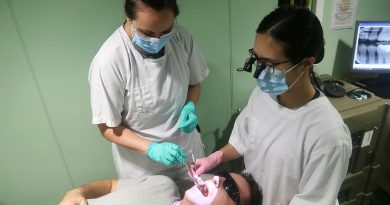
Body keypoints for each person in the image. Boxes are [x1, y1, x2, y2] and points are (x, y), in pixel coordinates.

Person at [194, 6, 352, 205]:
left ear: (305, 64)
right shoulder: (263, 94)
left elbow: (311, 201)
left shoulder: (329, 136)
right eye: (257, 59)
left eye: (269, 65)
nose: (260, 72)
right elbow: (244, 139)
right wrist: (215, 157)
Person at [88, 0, 209, 193]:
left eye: (166, 30)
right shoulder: (110, 61)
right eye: (148, 33)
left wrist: (190, 105)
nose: (158, 39)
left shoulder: (182, 38)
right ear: (129, 18)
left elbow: (194, 82)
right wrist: (152, 148)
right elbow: (107, 127)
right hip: (144, 167)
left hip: (186, 151)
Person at [58, 170, 262, 205]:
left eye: (231, 189)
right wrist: (77, 192)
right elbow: (111, 185)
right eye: (222, 176)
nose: (216, 180)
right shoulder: (163, 184)